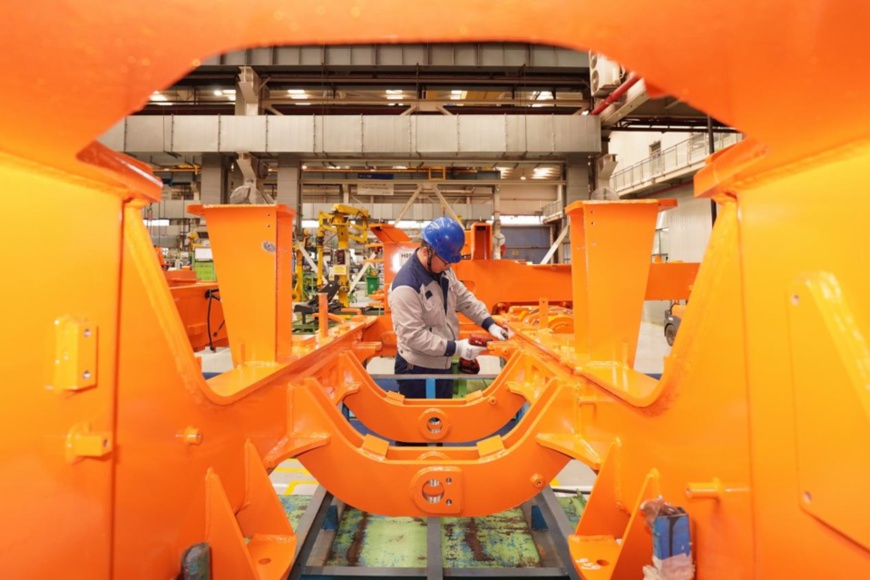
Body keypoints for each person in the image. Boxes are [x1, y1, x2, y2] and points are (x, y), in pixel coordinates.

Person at [389, 217, 508, 400]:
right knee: (422, 417)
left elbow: (463, 298)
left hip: (442, 362)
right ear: (427, 251)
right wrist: (457, 347)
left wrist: (489, 324)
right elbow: (414, 336)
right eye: (446, 261)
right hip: (417, 370)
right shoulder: (406, 287)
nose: (449, 266)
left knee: (444, 413)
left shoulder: (442, 269)